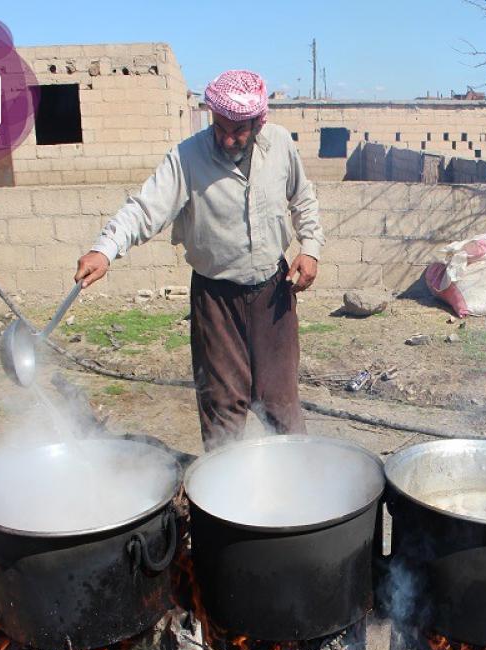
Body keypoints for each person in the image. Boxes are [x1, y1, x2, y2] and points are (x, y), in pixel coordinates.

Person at [74, 70, 323, 448]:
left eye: (238, 129)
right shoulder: (188, 157)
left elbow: (303, 200)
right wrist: (105, 249)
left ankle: (299, 485)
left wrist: (309, 250)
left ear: (259, 121)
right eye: (219, 127)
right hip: (216, 301)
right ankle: (223, 492)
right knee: (223, 404)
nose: (226, 138)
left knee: (280, 402)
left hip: (274, 292)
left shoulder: (281, 146)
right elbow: (144, 209)